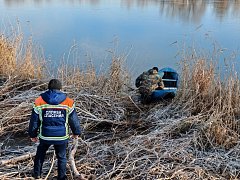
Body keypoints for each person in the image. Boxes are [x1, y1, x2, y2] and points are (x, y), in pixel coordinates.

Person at [28, 79, 81, 180]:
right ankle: (61, 177)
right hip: (61, 136)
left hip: (45, 136)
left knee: (40, 155)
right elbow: (73, 120)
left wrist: (32, 135)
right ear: (61, 89)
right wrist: (76, 133)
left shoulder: (39, 101)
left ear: (48, 88)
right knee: (61, 157)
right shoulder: (68, 102)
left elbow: (34, 121)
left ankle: (37, 175)